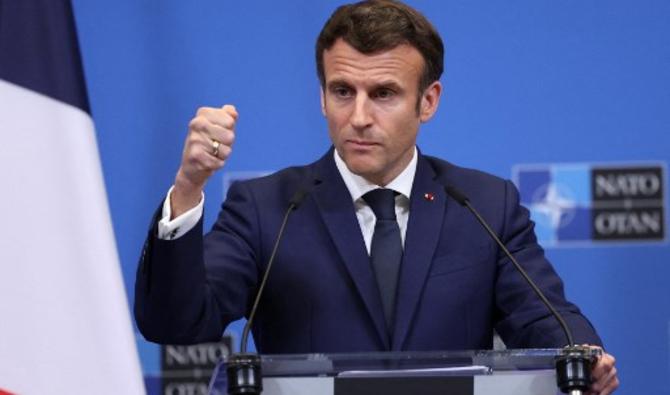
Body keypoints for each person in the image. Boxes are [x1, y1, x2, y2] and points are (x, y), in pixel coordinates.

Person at [134, 0, 618, 393]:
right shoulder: (267, 207)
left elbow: (544, 316)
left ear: (427, 101)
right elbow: (175, 322)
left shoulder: (484, 205)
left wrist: (586, 355)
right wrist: (188, 186)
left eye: (383, 93)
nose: (359, 116)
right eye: (343, 91)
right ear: (322, 97)